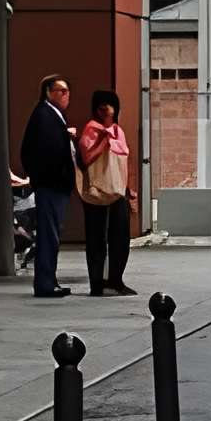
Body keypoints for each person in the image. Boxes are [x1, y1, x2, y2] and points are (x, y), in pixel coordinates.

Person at [20, 75, 77, 297]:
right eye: (61, 91)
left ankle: (49, 279)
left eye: (68, 91)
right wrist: (47, 177)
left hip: (53, 185)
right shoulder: (44, 115)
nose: (66, 95)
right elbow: (41, 151)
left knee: (51, 235)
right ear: (48, 92)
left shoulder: (52, 116)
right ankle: (45, 283)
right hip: (51, 186)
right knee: (48, 235)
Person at [76, 86, 135, 296]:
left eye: (110, 106)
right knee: (96, 238)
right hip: (97, 192)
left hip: (117, 191)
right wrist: (104, 140)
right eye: (103, 107)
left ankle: (116, 280)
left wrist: (129, 189)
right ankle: (97, 283)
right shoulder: (91, 130)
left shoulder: (119, 131)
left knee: (120, 237)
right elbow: (86, 159)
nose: (107, 111)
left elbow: (125, 160)